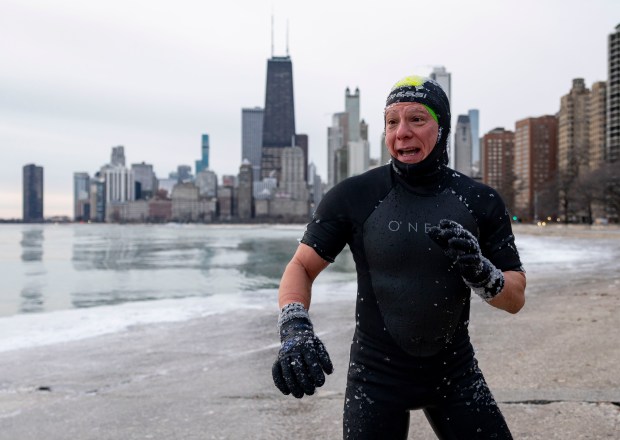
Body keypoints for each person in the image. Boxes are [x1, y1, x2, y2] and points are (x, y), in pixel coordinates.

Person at [271, 75, 526, 440]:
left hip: (455, 374)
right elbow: (301, 266)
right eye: (392, 121)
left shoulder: (480, 201)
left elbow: (515, 298)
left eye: (417, 119)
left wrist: (485, 276)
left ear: (442, 128)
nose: (402, 132)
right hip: (375, 379)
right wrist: (294, 327)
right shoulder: (354, 195)